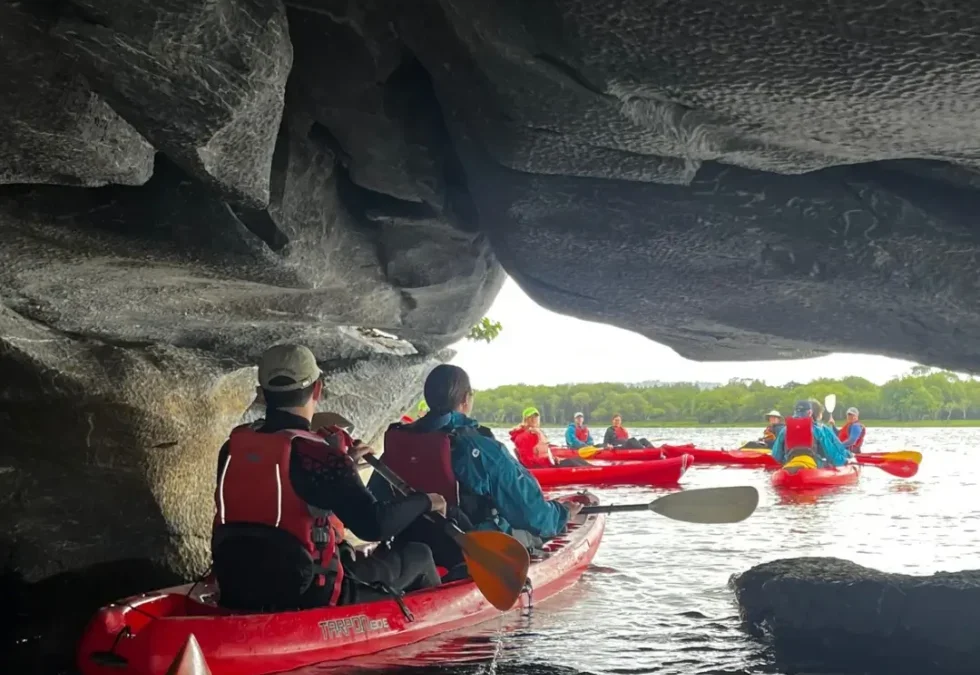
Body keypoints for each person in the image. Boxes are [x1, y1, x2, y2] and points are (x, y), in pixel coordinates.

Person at [212, 344, 449, 612]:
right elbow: (374, 525)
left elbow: (282, 494)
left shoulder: (232, 448)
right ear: (317, 389)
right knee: (419, 555)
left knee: (345, 551)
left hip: (237, 588)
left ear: (261, 394)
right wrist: (427, 501)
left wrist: (347, 468)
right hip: (309, 595)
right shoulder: (318, 455)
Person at [373, 365, 582, 564]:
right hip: (468, 548)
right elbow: (532, 514)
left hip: (412, 541)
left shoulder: (400, 440)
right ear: (466, 399)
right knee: (535, 531)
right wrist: (562, 513)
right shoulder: (479, 446)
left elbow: (375, 505)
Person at [771, 399, 852, 468]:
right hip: (813, 464)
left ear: (794, 412)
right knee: (827, 463)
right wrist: (844, 461)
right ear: (810, 413)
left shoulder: (784, 430)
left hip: (790, 463)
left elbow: (775, 456)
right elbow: (831, 453)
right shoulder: (817, 430)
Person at [510, 407, 589, 467]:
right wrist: (548, 461)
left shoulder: (536, 432)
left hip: (547, 464)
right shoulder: (523, 437)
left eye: (536, 417)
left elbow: (544, 451)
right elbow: (527, 461)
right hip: (540, 469)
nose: (534, 419)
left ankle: (593, 470)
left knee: (576, 460)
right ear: (525, 420)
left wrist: (553, 458)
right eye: (531, 417)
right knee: (572, 462)